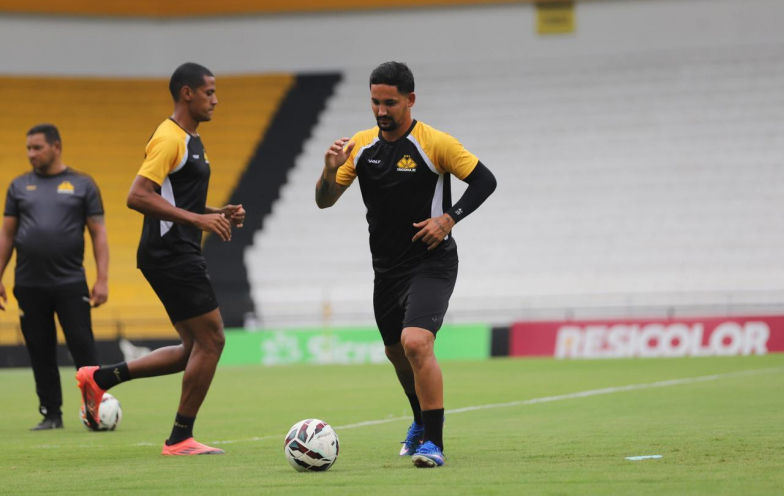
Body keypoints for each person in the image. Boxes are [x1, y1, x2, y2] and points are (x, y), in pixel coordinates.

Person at [315, 62, 497, 468]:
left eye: (390, 103)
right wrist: (328, 171)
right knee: (397, 353)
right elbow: (324, 200)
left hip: (431, 264)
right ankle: (418, 420)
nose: (381, 111)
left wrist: (448, 218)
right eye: (375, 102)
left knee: (417, 343)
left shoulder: (435, 143)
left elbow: (486, 180)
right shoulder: (360, 147)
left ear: (410, 100)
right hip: (386, 271)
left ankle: (434, 443)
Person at [76, 62, 245, 456]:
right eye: (209, 92)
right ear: (187, 93)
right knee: (213, 339)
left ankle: (99, 378)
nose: (216, 100)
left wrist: (216, 212)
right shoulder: (170, 138)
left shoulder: (192, 140)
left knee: (194, 349)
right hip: (170, 253)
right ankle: (179, 438)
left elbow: (176, 200)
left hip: (174, 250)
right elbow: (137, 195)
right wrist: (199, 220)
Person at [0, 124, 109, 431]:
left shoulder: (82, 184)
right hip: (29, 284)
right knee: (39, 348)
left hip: (70, 283)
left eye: (38, 148)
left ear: (56, 147)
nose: (31, 154)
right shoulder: (18, 186)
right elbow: (7, 234)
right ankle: (51, 414)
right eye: (28, 148)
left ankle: (95, 411)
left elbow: (98, 233)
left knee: (83, 347)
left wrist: (102, 279)